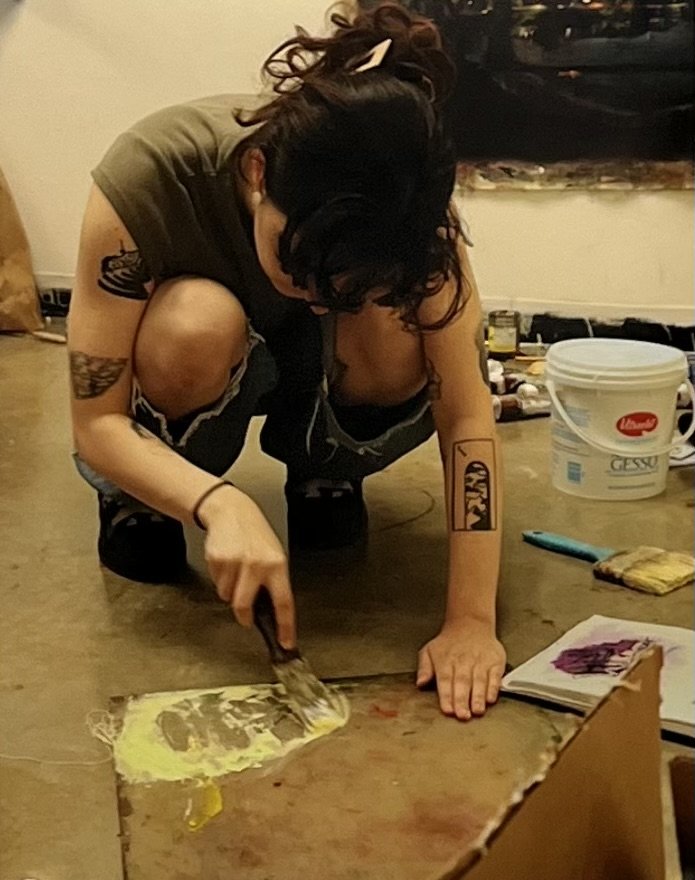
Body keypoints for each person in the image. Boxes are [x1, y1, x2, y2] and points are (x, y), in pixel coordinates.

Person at [68, 1, 506, 721]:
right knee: (195, 322)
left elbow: (464, 414)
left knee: (392, 323)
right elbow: (96, 423)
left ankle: (323, 472)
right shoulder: (148, 176)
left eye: (335, 286)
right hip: (196, 354)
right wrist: (220, 502)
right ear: (255, 171)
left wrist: (470, 621)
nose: (312, 302)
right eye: (296, 268)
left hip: (322, 376)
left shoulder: (410, 220)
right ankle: (144, 496)